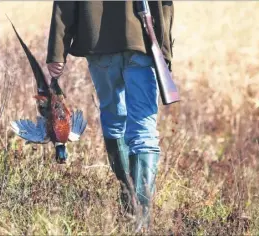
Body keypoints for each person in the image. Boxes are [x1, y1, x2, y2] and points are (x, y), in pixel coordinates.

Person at [46, 1, 174, 232]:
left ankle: (128, 202)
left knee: (114, 122)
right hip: (141, 41)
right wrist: (164, 50)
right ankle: (139, 220)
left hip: (99, 42)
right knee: (143, 132)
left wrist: (57, 51)